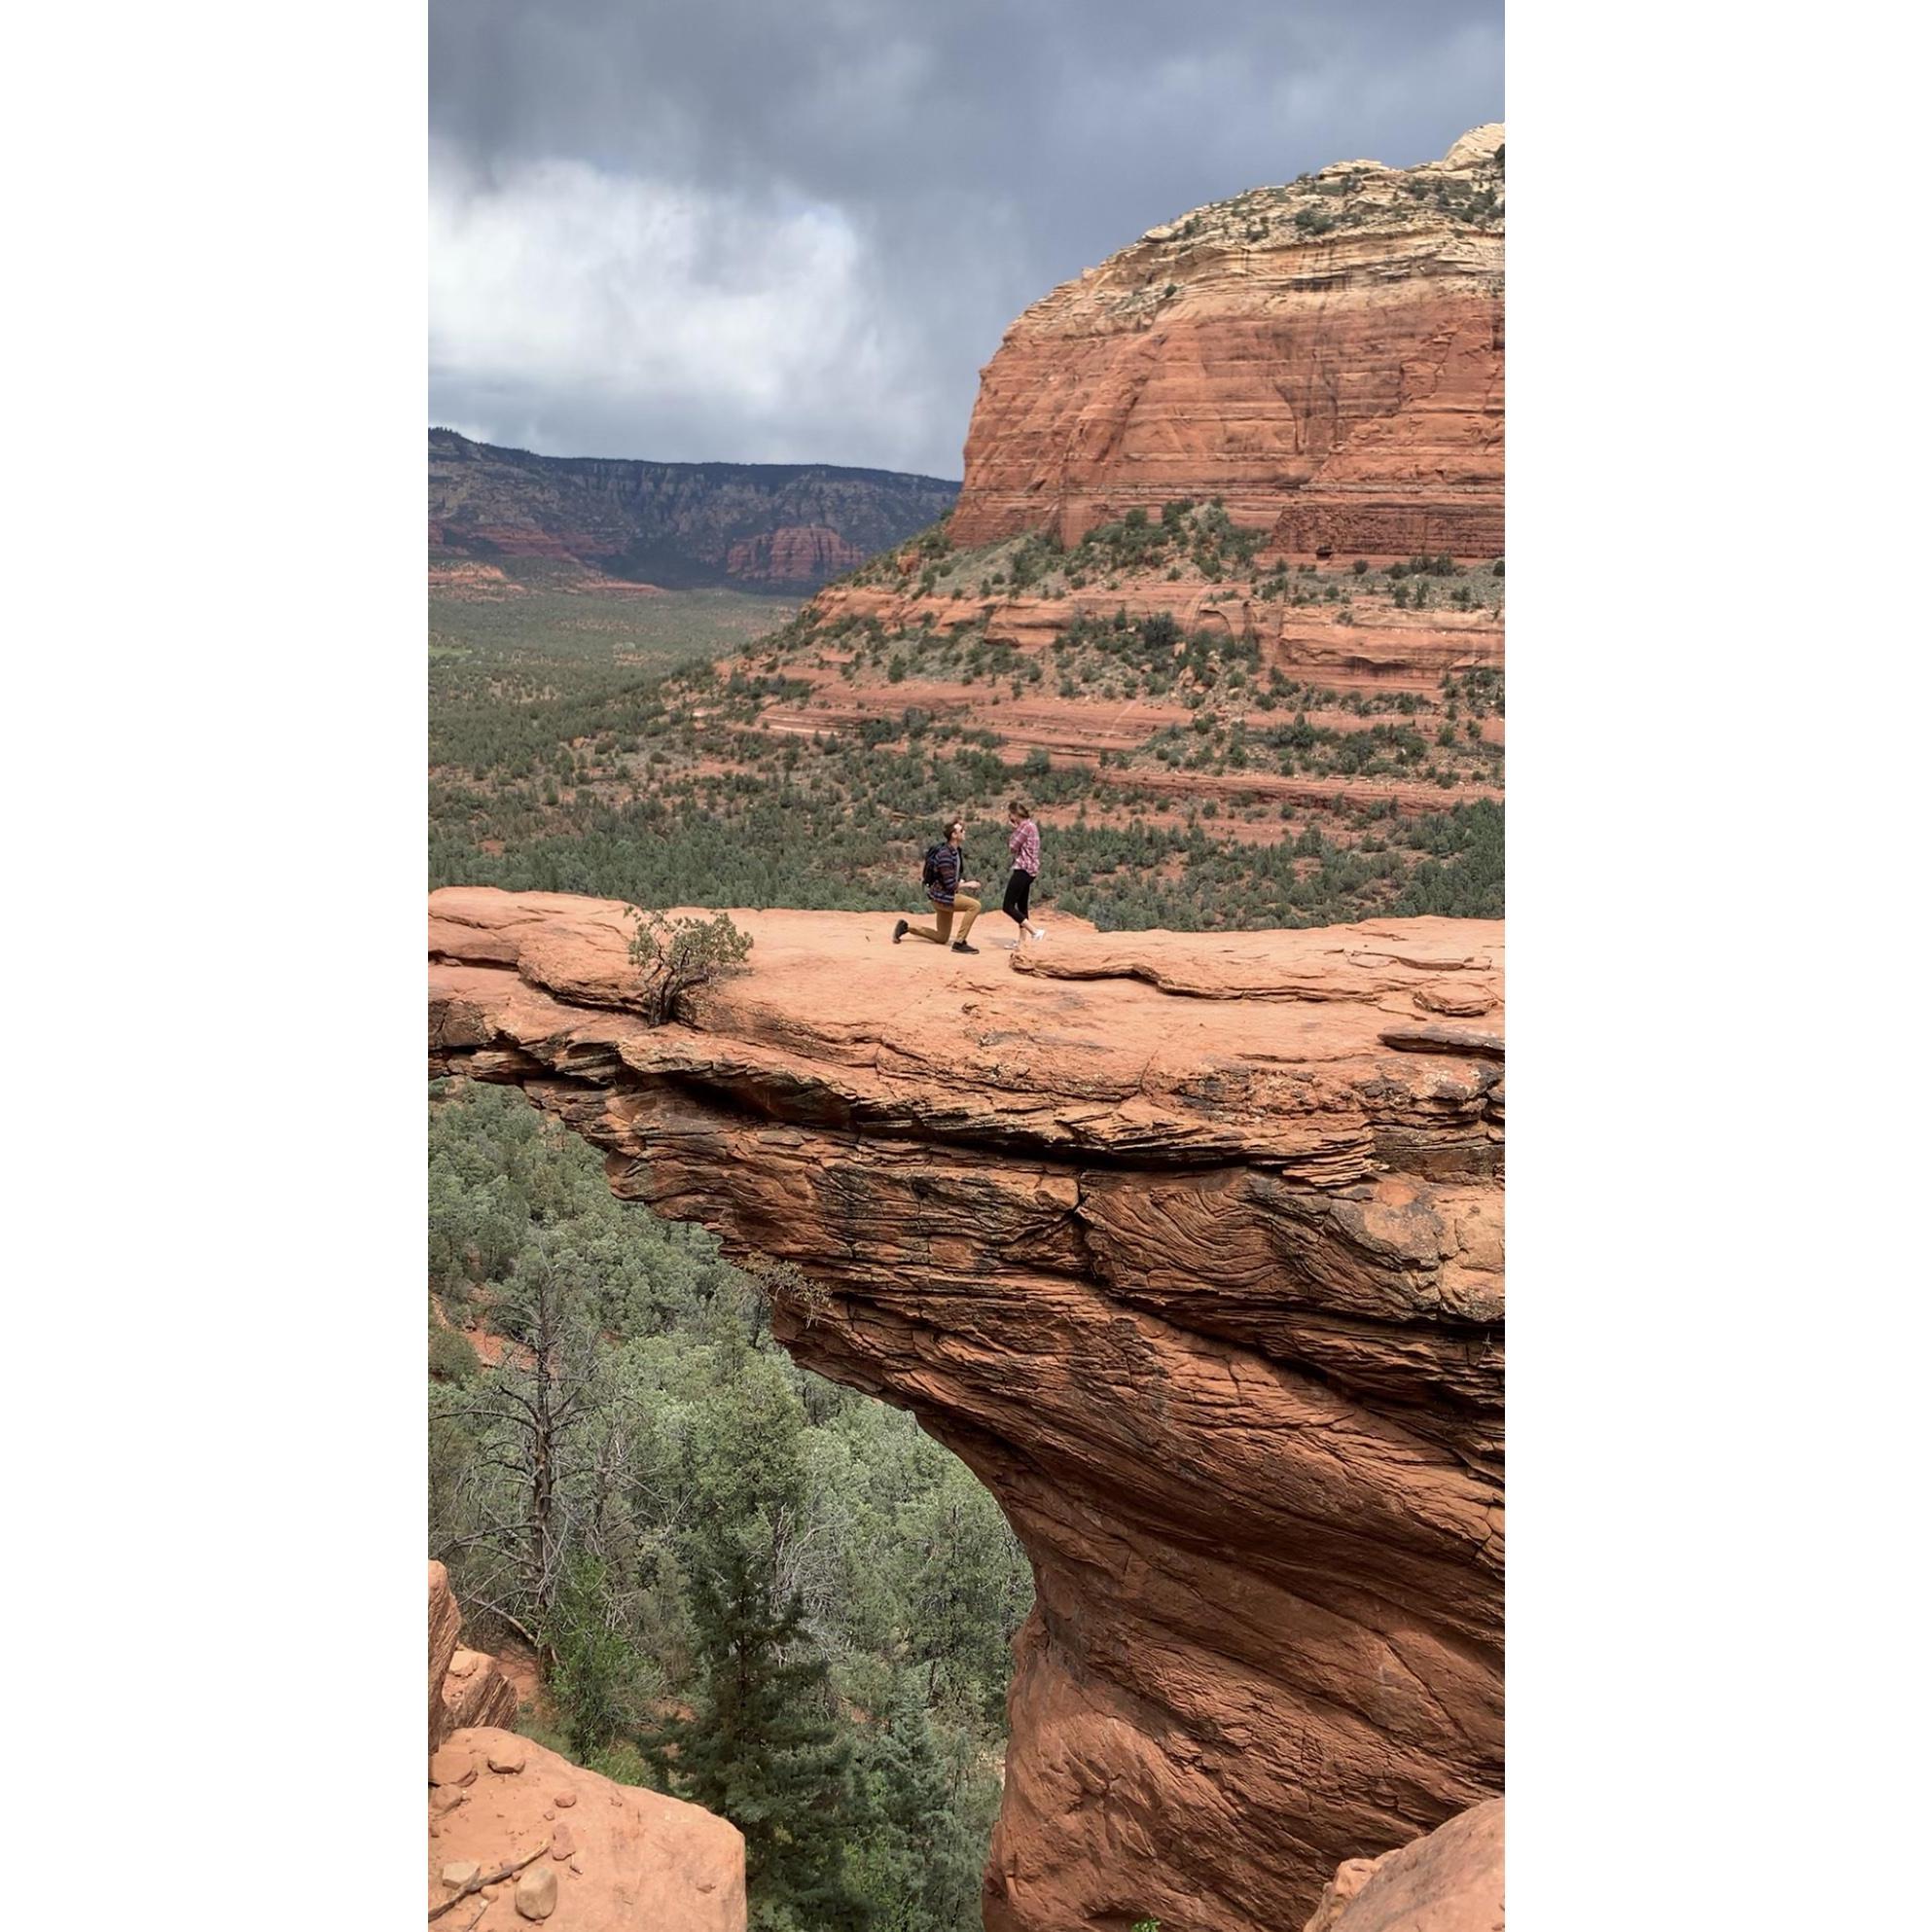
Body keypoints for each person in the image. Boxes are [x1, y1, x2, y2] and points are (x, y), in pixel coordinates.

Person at [893, 817, 983, 953]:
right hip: (943, 898)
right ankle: (959, 943)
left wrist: (960, 881)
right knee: (975, 906)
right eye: (962, 830)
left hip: (940, 897)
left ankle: (906, 927)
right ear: (954, 834)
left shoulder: (955, 851)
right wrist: (969, 884)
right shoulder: (946, 855)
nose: (964, 832)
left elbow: (950, 878)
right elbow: (951, 885)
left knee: (942, 937)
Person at [999, 799, 1047, 948]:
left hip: (1023, 869)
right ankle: (1022, 942)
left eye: (1010, 815)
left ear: (1015, 814)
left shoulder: (1024, 827)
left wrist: (1014, 829)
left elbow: (1012, 847)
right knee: (1022, 905)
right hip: (1031, 870)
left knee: (1007, 906)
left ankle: (1034, 932)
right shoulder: (1032, 825)